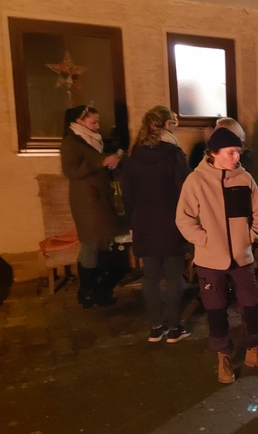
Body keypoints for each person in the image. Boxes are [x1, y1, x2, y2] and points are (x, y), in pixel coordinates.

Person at [176, 127, 258, 384]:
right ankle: (223, 357)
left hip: (241, 258)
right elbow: (184, 219)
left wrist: (250, 236)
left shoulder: (244, 178)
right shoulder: (196, 181)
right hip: (210, 260)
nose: (236, 157)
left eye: (238, 152)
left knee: (251, 306)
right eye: (231, 152)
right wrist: (205, 241)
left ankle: (253, 351)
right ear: (214, 153)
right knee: (216, 309)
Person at [121, 105, 191, 343]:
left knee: (150, 276)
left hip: (143, 221)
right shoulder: (173, 154)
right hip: (171, 221)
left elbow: (127, 193)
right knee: (173, 276)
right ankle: (174, 329)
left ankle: (155, 327)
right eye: (173, 124)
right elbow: (185, 191)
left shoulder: (132, 154)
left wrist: (132, 221)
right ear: (166, 126)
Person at [60, 105, 122, 308]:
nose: (97, 126)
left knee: (102, 242)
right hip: (86, 201)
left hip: (99, 199)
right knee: (90, 243)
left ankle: (99, 289)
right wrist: (101, 162)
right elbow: (70, 170)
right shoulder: (71, 142)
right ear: (79, 121)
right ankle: (87, 291)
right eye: (93, 122)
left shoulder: (93, 139)